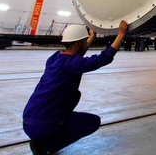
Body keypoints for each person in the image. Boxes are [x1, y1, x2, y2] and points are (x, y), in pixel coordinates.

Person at [23, 21, 128, 154]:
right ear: (78, 44)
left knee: (74, 96)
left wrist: (91, 38)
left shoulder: (54, 58)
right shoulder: (73, 64)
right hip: (45, 124)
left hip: (29, 119)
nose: (86, 43)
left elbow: (76, 54)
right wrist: (121, 34)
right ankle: (46, 147)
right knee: (92, 122)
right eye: (84, 41)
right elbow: (103, 58)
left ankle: (43, 142)